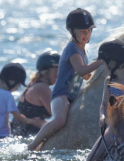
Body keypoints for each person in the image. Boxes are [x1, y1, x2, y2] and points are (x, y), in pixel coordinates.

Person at [28, 8, 102, 150]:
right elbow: (81, 71)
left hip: (72, 96)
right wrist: (101, 61)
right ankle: (32, 146)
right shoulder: (72, 49)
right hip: (61, 94)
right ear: (72, 31)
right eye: (82, 31)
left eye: (88, 31)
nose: (86, 34)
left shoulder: (82, 51)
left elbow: (86, 76)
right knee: (59, 120)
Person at [0, 63, 44, 139]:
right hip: (3, 136)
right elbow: (19, 118)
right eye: (19, 85)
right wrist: (34, 121)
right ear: (11, 81)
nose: (17, 88)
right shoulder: (7, 95)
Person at [11, 50, 60, 137]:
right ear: (47, 71)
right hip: (28, 136)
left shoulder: (32, 84)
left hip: (17, 134)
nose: (60, 74)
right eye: (57, 69)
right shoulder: (42, 88)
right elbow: (58, 115)